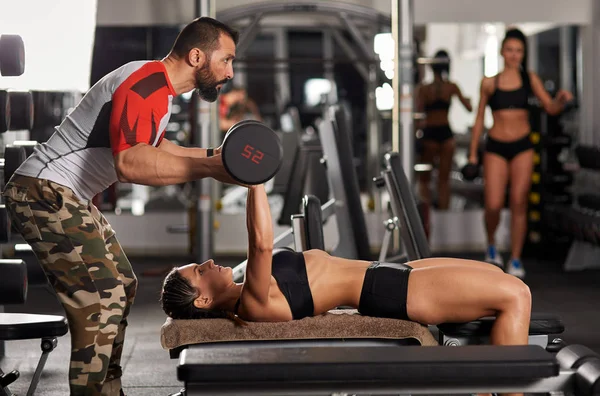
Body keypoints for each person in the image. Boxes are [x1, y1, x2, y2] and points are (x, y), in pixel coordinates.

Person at [3, 17, 242, 396]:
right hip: (44, 192)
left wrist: (218, 158)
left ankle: (109, 390)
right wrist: (210, 168)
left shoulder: (157, 91)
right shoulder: (145, 84)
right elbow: (130, 163)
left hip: (64, 194)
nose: (229, 72)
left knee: (123, 286)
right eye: (226, 60)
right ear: (197, 56)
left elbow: (156, 150)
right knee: (102, 298)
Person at [160, 183, 532, 351]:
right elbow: (261, 242)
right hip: (390, 291)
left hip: (388, 274)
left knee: (497, 277)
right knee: (517, 293)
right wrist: (253, 182)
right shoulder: (253, 303)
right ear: (204, 301)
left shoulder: (245, 285)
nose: (209, 263)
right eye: (200, 271)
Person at [468, 28, 573, 279]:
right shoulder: (489, 82)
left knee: (518, 201)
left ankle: (515, 258)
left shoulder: (530, 79)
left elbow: (551, 108)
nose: (514, 55)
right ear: (502, 52)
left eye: (519, 51)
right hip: (496, 146)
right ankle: (492, 245)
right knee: (493, 204)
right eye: (510, 50)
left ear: (523, 54)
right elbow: (480, 117)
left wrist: (560, 99)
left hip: (522, 146)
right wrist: (473, 153)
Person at [416, 50, 473, 210]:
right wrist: (468, 100)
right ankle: (443, 211)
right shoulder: (451, 87)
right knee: (443, 179)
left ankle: (427, 211)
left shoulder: (424, 89)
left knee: (425, 179)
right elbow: (469, 108)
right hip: (445, 133)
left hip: (430, 132)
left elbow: (418, 116)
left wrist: (416, 137)